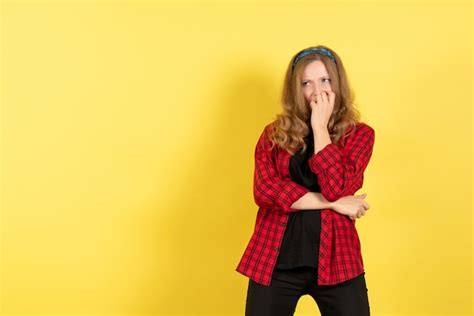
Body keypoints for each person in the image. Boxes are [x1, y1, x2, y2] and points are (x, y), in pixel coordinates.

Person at [235, 45, 375, 316]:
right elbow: (264, 191)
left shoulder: (360, 135)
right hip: (275, 260)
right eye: (306, 83)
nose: (317, 91)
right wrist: (333, 205)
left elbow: (336, 187)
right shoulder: (273, 134)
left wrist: (319, 127)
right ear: (296, 90)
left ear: (337, 83)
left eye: (325, 80)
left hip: (338, 260)